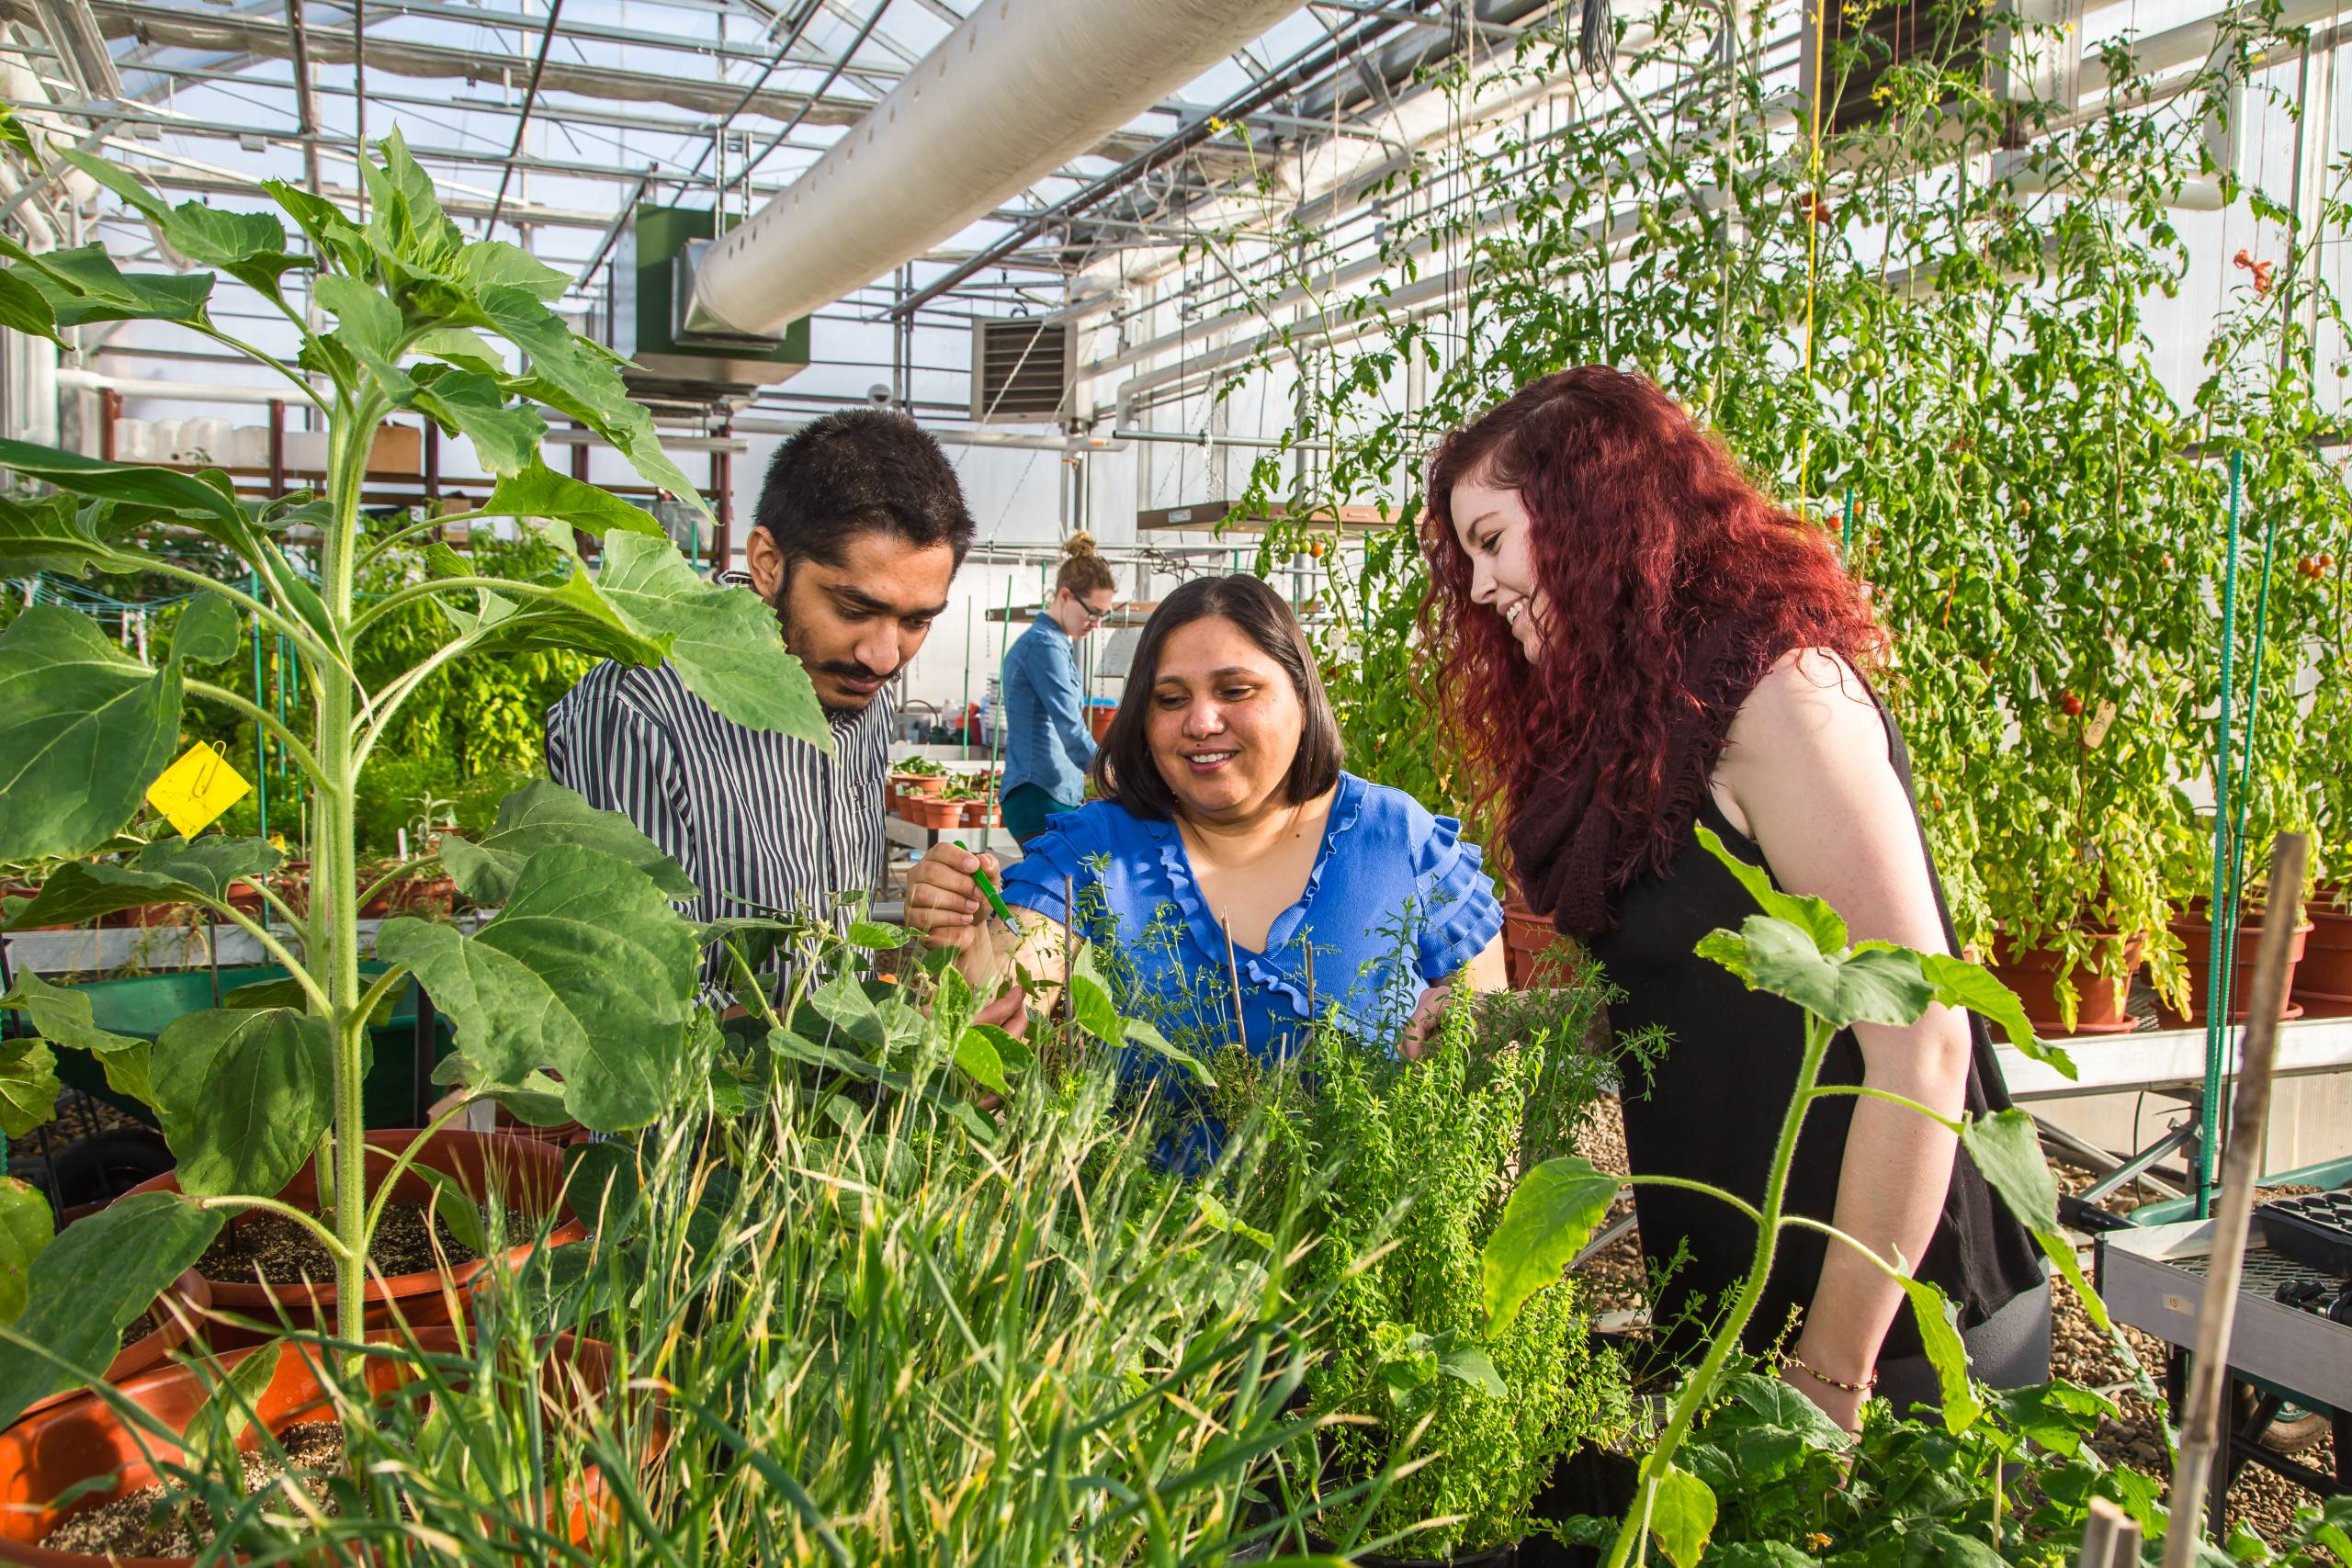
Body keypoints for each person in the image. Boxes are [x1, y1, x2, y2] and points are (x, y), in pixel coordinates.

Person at [1420, 366, 2048, 1429]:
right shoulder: (1646, 730)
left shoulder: (1777, 700)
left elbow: (1923, 1041)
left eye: (1491, 540)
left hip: (1889, 1316)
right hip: (1736, 1285)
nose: (1479, 588)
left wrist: (1834, 1368)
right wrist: (1509, 1025)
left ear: (1593, 514)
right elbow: (1698, 993)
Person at [904, 574, 1507, 1082]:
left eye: (1234, 690)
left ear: (1301, 694)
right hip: (1147, 1220)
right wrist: (963, 942)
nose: (1199, 720)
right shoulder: (1096, 852)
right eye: (1169, 699)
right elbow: (994, 1035)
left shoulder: (1396, 838)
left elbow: (1497, 1057)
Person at [547, 410, 972, 996]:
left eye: (916, 621)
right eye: (852, 609)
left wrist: (923, 939)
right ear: (769, 565)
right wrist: (849, 1037)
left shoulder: (854, 693)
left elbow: (831, 950)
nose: (882, 656)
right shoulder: (640, 708)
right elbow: (629, 998)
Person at [1000, 533, 1117, 844]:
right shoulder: (1044, 647)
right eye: (1093, 611)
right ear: (1065, 596)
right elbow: (1070, 726)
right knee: (1062, 890)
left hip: (1048, 791)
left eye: (1103, 615)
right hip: (1041, 794)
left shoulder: (1053, 644)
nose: (1096, 623)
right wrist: (1112, 774)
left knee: (1066, 889)